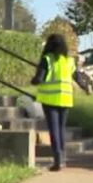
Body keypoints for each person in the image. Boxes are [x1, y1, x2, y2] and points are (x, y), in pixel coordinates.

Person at [31, 33, 76, 172]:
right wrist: (86, 87)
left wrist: (34, 80)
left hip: (50, 100)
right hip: (66, 99)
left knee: (54, 130)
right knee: (61, 129)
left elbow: (39, 78)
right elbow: (77, 76)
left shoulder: (47, 59)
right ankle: (62, 159)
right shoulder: (69, 60)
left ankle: (57, 160)